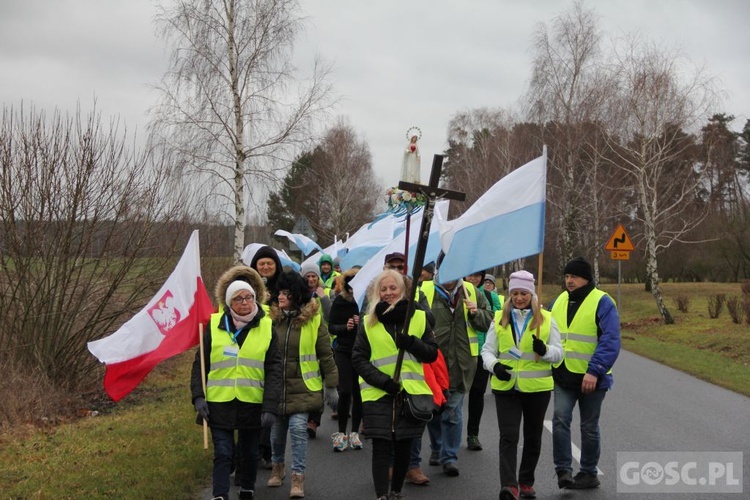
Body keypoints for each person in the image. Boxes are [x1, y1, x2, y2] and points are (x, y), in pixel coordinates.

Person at [190, 266, 282, 500]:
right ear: (229, 303)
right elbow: (200, 364)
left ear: (255, 298)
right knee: (223, 452)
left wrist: (271, 407)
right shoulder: (213, 325)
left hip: (252, 401)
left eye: (248, 297)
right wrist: (198, 397)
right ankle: (220, 495)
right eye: (238, 299)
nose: (244, 302)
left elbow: (274, 369)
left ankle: (247, 489)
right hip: (219, 401)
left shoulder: (267, 327)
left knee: (249, 452)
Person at [352, 269, 439, 500]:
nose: (389, 292)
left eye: (393, 288)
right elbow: (358, 358)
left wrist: (411, 343)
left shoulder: (418, 317)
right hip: (378, 393)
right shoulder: (369, 322)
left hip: (410, 395)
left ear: (402, 290)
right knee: (381, 447)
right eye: (384, 289)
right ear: (377, 293)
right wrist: (383, 382)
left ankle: (397, 492)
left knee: (403, 447)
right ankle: (382, 495)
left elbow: (431, 354)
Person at [481, 270, 563, 500]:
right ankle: (509, 485)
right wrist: (495, 366)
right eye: (515, 293)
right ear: (509, 295)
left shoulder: (546, 319)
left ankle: (526, 481)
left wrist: (545, 350)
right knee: (508, 436)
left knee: (533, 435)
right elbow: (487, 350)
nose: (519, 298)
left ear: (531, 294)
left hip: (537, 388)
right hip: (506, 387)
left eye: (524, 293)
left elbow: (559, 354)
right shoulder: (499, 318)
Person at [550, 257, 621, 490]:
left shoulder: (602, 302)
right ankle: (563, 470)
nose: (569, 281)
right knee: (560, 420)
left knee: (589, 427)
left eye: (574, 277)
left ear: (587, 278)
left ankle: (589, 473)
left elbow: (610, 341)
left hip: (592, 378)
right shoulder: (560, 299)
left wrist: (595, 371)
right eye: (567, 276)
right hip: (563, 375)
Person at [267, 271, 339, 498]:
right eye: (279, 292)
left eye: (286, 293)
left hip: (305, 386)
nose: (280, 297)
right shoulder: (269, 319)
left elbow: (325, 353)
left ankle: (298, 478)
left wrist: (331, 386)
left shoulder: (314, 319)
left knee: (298, 430)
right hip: (277, 386)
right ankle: (277, 468)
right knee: (277, 433)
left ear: (297, 296)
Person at [420, 268, 493, 477]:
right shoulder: (425, 290)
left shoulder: (472, 291)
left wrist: (476, 313)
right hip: (434, 362)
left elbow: (488, 321)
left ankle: (450, 457)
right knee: (434, 411)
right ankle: (437, 447)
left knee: (453, 411)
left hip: (463, 362)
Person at [249, 245, 284, 470]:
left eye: (269, 263)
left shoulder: (284, 284)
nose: (265, 267)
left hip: (278, 344)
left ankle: (267, 451)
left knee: (271, 402)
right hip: (254, 348)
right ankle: (250, 450)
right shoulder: (248, 286)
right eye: (261, 263)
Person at [464, 270, 504, 451]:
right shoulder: (458, 294)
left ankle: (473, 434)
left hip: (481, 351)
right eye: (469, 275)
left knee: (477, 392)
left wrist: (478, 311)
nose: (472, 279)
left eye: (476, 276)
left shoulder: (489, 296)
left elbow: (495, 319)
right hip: (462, 351)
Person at [328, 269, 364, 452]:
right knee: (345, 390)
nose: (351, 290)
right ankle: (341, 433)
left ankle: (355, 433)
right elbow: (331, 327)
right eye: (348, 285)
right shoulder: (339, 302)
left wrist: (361, 322)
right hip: (343, 350)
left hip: (362, 351)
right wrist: (345, 326)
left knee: (359, 392)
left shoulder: (365, 301)